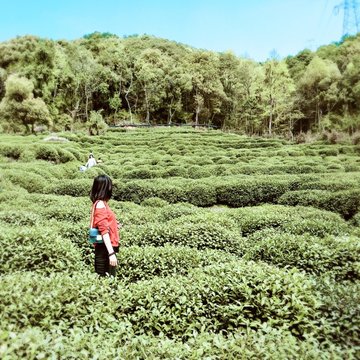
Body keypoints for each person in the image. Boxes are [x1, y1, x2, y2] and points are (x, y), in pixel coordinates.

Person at [90, 175, 120, 276]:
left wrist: (114, 225)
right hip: (105, 249)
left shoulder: (102, 203)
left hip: (105, 248)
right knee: (105, 281)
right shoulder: (100, 204)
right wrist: (111, 253)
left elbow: (104, 224)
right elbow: (104, 231)